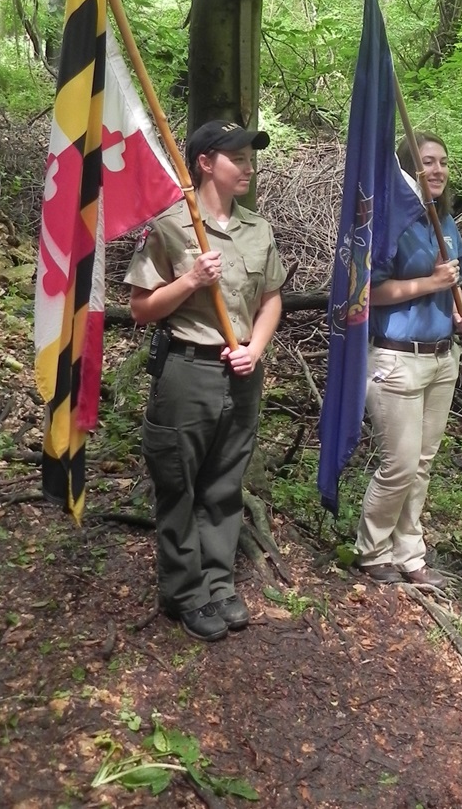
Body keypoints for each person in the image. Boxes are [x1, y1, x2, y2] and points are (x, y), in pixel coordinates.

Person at [125, 120, 285, 642]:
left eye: (250, 156)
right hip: (187, 372)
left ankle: (218, 583)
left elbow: (270, 299)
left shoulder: (256, 229)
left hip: (241, 374)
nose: (248, 166)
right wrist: (190, 280)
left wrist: (256, 350)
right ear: (205, 162)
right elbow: (141, 308)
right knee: (180, 483)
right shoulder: (172, 225)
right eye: (237, 157)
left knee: (224, 482)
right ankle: (184, 592)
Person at [356, 131, 462, 589]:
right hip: (395, 358)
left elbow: (453, 291)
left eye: (443, 162)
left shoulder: (445, 224)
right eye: (427, 162)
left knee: (422, 463)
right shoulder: (391, 222)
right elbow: (367, 293)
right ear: (407, 168)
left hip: (442, 358)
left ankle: (410, 553)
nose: (438, 170)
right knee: (400, 464)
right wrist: (429, 283)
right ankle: (371, 549)